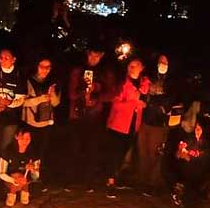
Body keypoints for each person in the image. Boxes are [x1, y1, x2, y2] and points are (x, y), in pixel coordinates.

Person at [66, 43, 114, 186]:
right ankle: (72, 179)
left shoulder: (105, 73)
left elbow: (111, 94)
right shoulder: (78, 70)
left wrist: (96, 93)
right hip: (77, 115)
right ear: (87, 54)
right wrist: (84, 90)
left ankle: (89, 181)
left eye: (97, 56)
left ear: (102, 56)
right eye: (92, 55)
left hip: (95, 116)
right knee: (75, 147)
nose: (94, 58)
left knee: (92, 148)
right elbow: (72, 94)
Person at [104, 58, 150, 196]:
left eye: (135, 65)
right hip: (119, 123)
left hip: (133, 123)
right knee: (115, 152)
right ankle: (110, 181)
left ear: (142, 67)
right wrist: (134, 103)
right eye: (130, 65)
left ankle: (118, 177)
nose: (132, 68)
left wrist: (142, 104)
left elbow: (144, 101)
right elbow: (116, 103)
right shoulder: (122, 83)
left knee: (125, 152)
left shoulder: (145, 83)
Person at [138, 54, 178, 192]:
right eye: (161, 61)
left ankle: (151, 183)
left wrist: (153, 102)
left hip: (159, 124)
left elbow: (168, 101)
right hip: (145, 120)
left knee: (154, 153)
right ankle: (143, 181)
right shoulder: (150, 78)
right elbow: (143, 95)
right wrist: (151, 101)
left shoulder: (172, 82)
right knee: (143, 152)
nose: (162, 64)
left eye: (165, 62)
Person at [22, 57, 60, 174]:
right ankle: (26, 176)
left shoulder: (53, 82)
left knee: (42, 151)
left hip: (46, 122)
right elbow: (23, 102)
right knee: (30, 151)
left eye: (47, 67)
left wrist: (52, 94)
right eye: (42, 67)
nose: (45, 70)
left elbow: (56, 103)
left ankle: (37, 176)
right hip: (31, 122)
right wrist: (39, 99)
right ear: (37, 66)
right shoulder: (28, 81)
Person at [167, 109, 210, 208]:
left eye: (199, 129)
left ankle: (189, 196)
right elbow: (178, 155)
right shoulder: (191, 140)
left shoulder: (206, 144)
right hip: (185, 168)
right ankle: (177, 191)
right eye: (196, 128)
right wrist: (180, 150)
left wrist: (188, 157)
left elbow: (203, 160)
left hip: (198, 171)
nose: (197, 131)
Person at [0, 128, 40, 207]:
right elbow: (1, 174)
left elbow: (36, 177)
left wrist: (33, 170)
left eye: (27, 138)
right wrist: (14, 180)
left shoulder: (33, 153)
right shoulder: (8, 152)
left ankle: (24, 191)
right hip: (10, 181)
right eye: (22, 138)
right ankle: (12, 193)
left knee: (22, 178)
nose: (25, 141)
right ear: (16, 137)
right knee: (18, 175)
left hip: (26, 181)